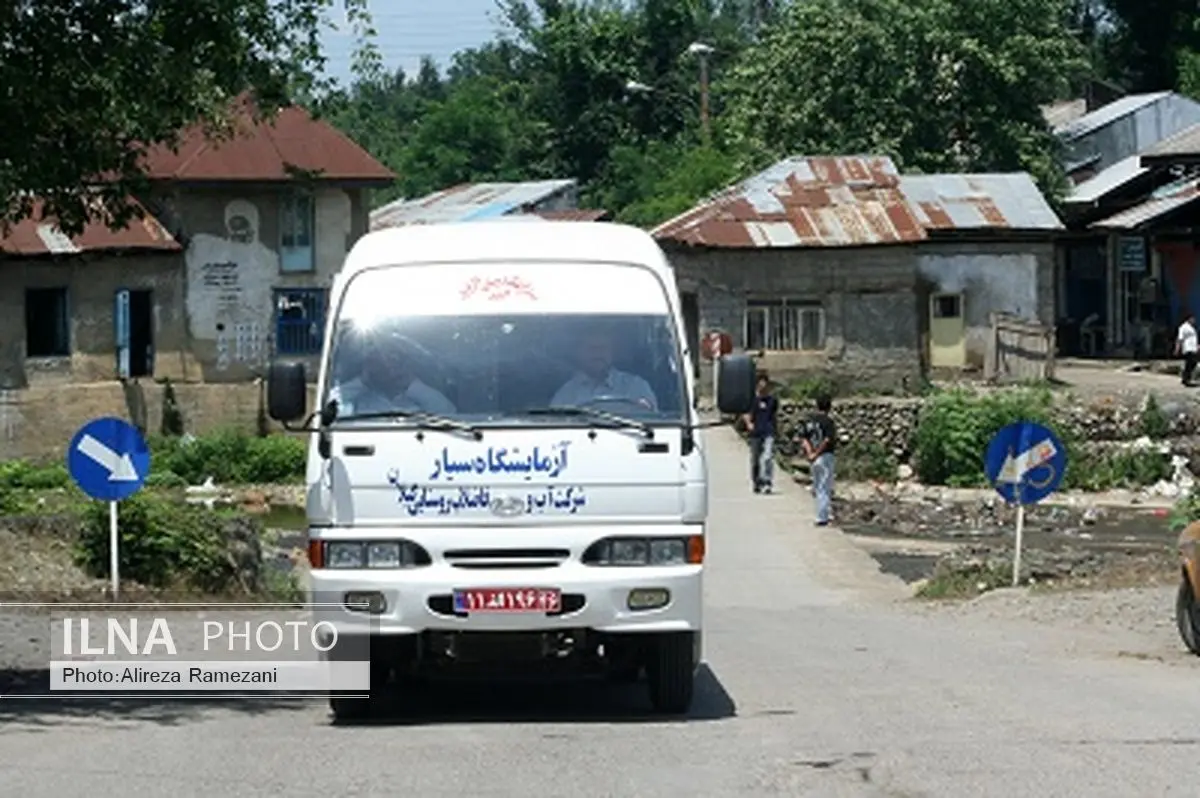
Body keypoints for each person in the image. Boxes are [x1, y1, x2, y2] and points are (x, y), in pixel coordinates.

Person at [331, 329, 456, 416]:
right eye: (379, 361)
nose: (387, 366)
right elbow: (329, 410)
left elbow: (449, 412)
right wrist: (363, 382)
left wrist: (411, 385)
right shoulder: (360, 399)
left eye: (394, 359)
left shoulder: (420, 399)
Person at [551, 328, 658, 410]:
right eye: (592, 349)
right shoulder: (566, 394)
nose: (598, 354)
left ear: (612, 352)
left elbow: (656, 428)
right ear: (579, 353)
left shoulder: (636, 387)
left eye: (603, 348)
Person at [802, 394, 837, 526]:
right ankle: (822, 517)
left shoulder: (810, 421)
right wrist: (817, 453)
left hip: (813, 458)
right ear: (829, 407)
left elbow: (804, 439)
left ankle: (824, 513)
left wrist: (810, 453)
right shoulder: (828, 422)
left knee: (817, 486)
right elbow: (827, 440)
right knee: (825, 487)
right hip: (825, 456)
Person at [743, 372, 778, 494]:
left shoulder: (772, 400)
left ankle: (767, 481)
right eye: (761, 383)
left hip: (768, 432)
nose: (763, 386)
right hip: (756, 433)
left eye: (765, 383)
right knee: (755, 460)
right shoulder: (752, 399)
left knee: (768, 457)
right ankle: (757, 481)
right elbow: (746, 413)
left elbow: (773, 416)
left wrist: (775, 430)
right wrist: (749, 424)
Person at [1177, 312, 1198, 387]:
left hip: (1193, 348)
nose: (1194, 320)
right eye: (1192, 319)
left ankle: (1185, 378)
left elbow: (1194, 339)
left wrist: (1197, 346)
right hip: (1188, 348)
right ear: (1189, 319)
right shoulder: (1183, 327)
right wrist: (1177, 348)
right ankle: (1186, 379)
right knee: (1190, 363)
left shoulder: (1192, 328)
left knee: (1192, 363)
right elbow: (1180, 338)